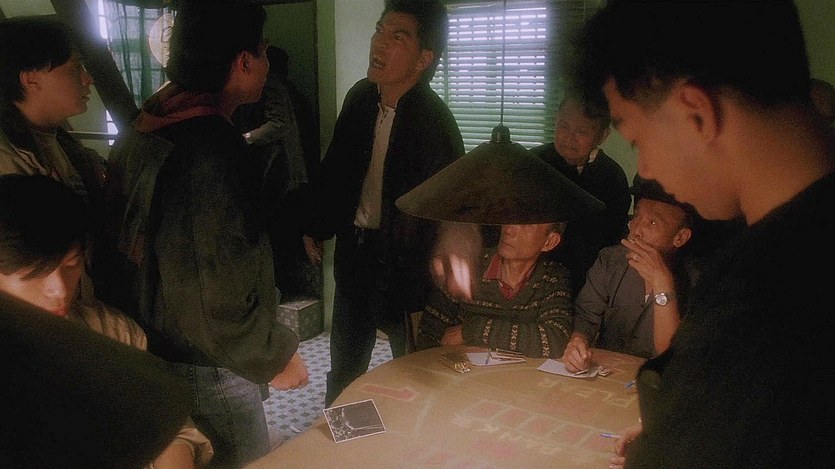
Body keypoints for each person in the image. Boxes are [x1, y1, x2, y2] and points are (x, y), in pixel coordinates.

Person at [572, 1, 835, 468]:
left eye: (637, 141)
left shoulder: (763, 293)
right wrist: (694, 422)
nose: (646, 169)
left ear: (697, 112)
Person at [93, 2, 309, 467]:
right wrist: (272, 355)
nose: (267, 64)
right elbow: (212, 292)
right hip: (207, 361)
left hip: (156, 339)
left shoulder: (150, 120)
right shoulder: (210, 150)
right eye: (263, 51)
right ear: (244, 61)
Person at [300, 0, 464, 406]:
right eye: (379, 30)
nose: (380, 43)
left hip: (407, 266)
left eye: (397, 36)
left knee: (414, 368)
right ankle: (339, 431)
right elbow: (336, 169)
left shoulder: (435, 122)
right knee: (345, 367)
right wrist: (315, 224)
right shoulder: (360, 98)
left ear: (423, 59)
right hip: (357, 253)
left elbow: (449, 206)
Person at [0, 173, 213, 469]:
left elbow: (166, 428)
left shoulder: (110, 332)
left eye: (71, 264)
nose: (60, 289)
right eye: (31, 275)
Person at [561, 175, 695, 372]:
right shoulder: (611, 261)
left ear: (680, 237)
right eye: (636, 217)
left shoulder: (698, 280)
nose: (636, 230)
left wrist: (662, 283)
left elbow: (672, 356)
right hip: (607, 375)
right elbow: (585, 318)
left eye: (652, 223)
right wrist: (577, 343)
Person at [416, 222, 573, 358]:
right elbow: (428, 335)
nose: (508, 230)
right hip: (460, 376)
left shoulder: (552, 277)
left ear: (549, 242)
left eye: (526, 225)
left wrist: (472, 330)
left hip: (519, 379)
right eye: (509, 219)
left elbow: (555, 339)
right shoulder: (468, 264)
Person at [530, 92, 631, 296]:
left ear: (602, 136)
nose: (569, 137)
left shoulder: (612, 176)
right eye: (563, 126)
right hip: (534, 274)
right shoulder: (532, 163)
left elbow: (612, 238)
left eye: (581, 131)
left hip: (588, 280)